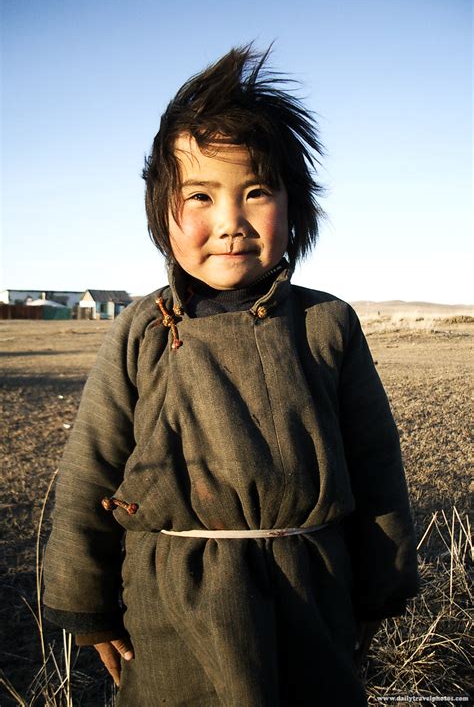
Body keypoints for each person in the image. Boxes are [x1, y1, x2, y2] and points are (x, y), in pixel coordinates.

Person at [43, 44, 419, 706]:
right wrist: (88, 607)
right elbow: (89, 473)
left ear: (292, 205)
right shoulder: (141, 329)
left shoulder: (328, 325)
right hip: (172, 609)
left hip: (312, 595)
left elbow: (376, 465)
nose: (230, 223)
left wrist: (378, 591)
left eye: (255, 191)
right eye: (200, 195)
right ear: (163, 213)